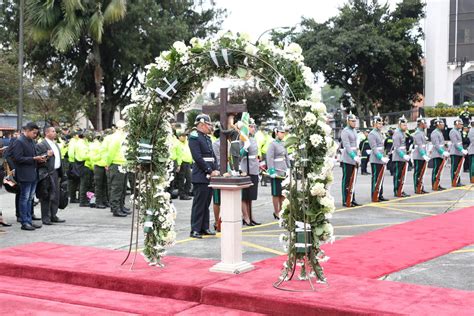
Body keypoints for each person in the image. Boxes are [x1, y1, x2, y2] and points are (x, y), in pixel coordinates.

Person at [189, 114, 219, 239]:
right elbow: (197, 157)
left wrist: (215, 169)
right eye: (209, 124)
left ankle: (204, 227)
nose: (210, 127)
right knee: (199, 203)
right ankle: (195, 229)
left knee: (206, 203)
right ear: (202, 124)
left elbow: (212, 155)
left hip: (210, 173)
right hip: (201, 174)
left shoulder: (206, 137)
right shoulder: (194, 137)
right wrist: (208, 170)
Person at [11, 122, 46, 231]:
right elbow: (17, 158)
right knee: (24, 198)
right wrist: (33, 159)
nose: (35, 135)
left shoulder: (31, 141)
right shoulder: (19, 142)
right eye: (34, 132)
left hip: (33, 173)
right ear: (27, 130)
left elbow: (32, 156)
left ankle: (29, 219)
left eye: (36, 133)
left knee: (30, 199)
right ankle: (24, 221)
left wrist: (40, 159)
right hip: (24, 174)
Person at [36, 126, 66, 225]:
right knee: (46, 196)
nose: (55, 133)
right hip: (47, 173)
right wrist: (47, 155)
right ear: (46, 133)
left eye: (55, 131)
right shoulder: (41, 145)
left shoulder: (55, 144)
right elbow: (38, 160)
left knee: (55, 195)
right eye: (53, 131)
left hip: (56, 172)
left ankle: (53, 215)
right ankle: (46, 217)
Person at [104, 120, 129, 217]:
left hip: (122, 164)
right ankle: (116, 208)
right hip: (117, 164)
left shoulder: (121, 137)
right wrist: (108, 163)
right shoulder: (117, 137)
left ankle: (120, 206)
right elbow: (111, 152)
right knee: (117, 188)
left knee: (121, 188)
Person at [240, 118, 261, 226]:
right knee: (244, 195)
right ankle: (246, 217)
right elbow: (238, 154)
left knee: (251, 195)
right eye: (251, 126)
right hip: (245, 168)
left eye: (254, 126)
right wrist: (244, 148)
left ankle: (251, 215)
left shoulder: (253, 139)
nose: (253, 128)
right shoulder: (242, 138)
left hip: (253, 168)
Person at [267, 126, 290, 218]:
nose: (283, 134)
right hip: (276, 171)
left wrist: (289, 167)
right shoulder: (272, 144)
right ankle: (276, 212)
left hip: (283, 170)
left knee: (283, 193)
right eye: (281, 132)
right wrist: (271, 170)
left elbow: (286, 156)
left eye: (284, 133)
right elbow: (270, 157)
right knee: (276, 193)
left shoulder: (284, 143)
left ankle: (282, 210)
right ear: (276, 133)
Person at [340, 113, 361, 207]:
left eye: (355, 121)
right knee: (347, 180)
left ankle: (352, 198)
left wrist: (358, 154)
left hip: (354, 157)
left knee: (353, 180)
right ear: (348, 121)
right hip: (348, 158)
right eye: (352, 121)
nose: (354, 123)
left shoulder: (354, 131)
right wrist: (353, 156)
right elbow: (347, 146)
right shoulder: (345, 131)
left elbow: (355, 145)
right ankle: (345, 199)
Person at [368, 116, 389, 202]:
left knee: (381, 178)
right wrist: (381, 157)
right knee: (376, 178)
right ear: (374, 124)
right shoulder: (372, 134)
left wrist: (384, 156)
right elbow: (374, 148)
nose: (381, 125)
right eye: (379, 123)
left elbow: (382, 147)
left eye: (381, 123)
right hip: (376, 159)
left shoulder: (380, 133)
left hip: (381, 158)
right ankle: (375, 195)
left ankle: (380, 194)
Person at [392, 116, 411, 197]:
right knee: (397, 175)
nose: (406, 127)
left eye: (406, 125)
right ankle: (397, 190)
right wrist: (403, 155)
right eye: (404, 125)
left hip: (402, 157)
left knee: (402, 175)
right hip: (398, 158)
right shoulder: (397, 133)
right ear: (399, 125)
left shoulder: (402, 133)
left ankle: (401, 189)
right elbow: (396, 148)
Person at [90, 132, 108, 208]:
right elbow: (93, 157)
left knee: (104, 185)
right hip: (98, 166)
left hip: (104, 166)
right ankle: (98, 202)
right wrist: (101, 155)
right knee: (98, 185)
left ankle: (104, 201)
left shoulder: (103, 146)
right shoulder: (95, 146)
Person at [430, 117, 449, 191]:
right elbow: (436, 145)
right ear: (438, 124)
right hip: (437, 154)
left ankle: (438, 183)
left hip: (440, 154)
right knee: (436, 170)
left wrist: (445, 147)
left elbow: (441, 143)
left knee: (439, 170)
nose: (443, 125)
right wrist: (443, 152)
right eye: (442, 124)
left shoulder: (439, 132)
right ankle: (434, 185)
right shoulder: (435, 133)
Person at [412, 117, 430, 194]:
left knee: (421, 172)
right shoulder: (418, 133)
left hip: (422, 155)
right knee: (418, 172)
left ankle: (421, 187)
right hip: (418, 156)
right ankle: (417, 187)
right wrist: (423, 155)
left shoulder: (422, 132)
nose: (426, 124)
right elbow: (419, 145)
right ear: (421, 124)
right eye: (425, 123)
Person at [449, 119, 468, 187]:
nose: (462, 125)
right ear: (456, 124)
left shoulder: (458, 131)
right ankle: (454, 181)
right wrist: (462, 150)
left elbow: (460, 143)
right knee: (454, 168)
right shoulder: (453, 131)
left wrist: (462, 150)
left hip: (459, 152)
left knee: (458, 168)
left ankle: (458, 181)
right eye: (460, 124)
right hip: (455, 152)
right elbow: (455, 143)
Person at [175, 131, 193, 200]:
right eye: (183, 136)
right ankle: (182, 194)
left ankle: (186, 193)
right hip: (182, 163)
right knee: (181, 180)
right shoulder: (177, 144)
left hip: (187, 163)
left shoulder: (186, 143)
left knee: (189, 179)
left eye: (185, 136)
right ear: (179, 137)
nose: (185, 137)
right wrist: (178, 165)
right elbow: (178, 155)